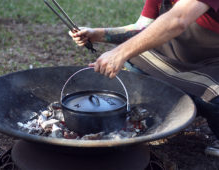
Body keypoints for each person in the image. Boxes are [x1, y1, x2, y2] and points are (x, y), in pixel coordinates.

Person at [69, 0, 219, 156]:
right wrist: (97, 34)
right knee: (135, 58)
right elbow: (142, 28)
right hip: (175, 58)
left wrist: (120, 53)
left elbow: (178, 19)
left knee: (215, 96)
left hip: (214, 62)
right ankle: (174, 108)